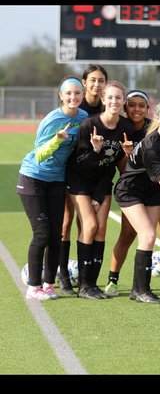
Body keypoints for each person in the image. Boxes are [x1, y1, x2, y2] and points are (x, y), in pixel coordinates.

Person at [16, 77, 88, 300]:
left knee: (57, 235)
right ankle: (33, 287)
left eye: (77, 93)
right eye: (69, 94)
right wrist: (57, 140)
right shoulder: (52, 120)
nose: (73, 97)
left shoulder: (84, 117)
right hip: (33, 178)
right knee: (42, 234)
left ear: (82, 95)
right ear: (61, 96)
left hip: (57, 180)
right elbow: (40, 154)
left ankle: (49, 284)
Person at [66, 81, 133, 299]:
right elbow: (81, 162)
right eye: (110, 97)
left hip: (102, 183)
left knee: (101, 228)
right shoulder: (90, 124)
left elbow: (112, 165)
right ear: (103, 100)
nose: (114, 101)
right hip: (80, 181)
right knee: (91, 224)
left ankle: (93, 284)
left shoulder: (125, 127)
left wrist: (125, 154)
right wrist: (95, 150)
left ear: (123, 101)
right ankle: (84, 286)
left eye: (118, 98)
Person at [113, 99, 160, 303]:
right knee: (148, 235)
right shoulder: (153, 144)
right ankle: (143, 290)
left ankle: (137, 290)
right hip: (131, 191)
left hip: (151, 192)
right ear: (158, 118)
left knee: (148, 238)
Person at [58, 63, 108, 294]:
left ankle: (86, 280)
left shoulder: (107, 109)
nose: (97, 85)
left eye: (101, 80)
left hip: (97, 176)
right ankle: (63, 277)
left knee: (90, 226)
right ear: (84, 82)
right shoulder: (78, 105)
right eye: (93, 80)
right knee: (66, 223)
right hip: (71, 173)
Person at [103, 90, 152, 296]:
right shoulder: (122, 128)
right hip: (132, 188)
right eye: (132, 104)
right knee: (128, 234)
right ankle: (113, 280)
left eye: (142, 105)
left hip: (156, 187)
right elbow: (122, 169)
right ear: (125, 107)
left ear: (148, 108)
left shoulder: (153, 128)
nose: (137, 109)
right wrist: (128, 155)